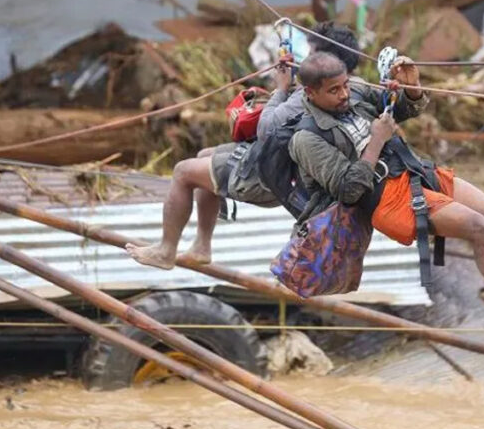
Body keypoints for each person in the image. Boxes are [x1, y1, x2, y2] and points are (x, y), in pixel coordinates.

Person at [288, 51, 484, 345]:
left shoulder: (356, 92)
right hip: (386, 199)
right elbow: (349, 191)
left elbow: (402, 109)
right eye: (334, 90)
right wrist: (377, 139)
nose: (344, 94)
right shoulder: (306, 138)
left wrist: (411, 88)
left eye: (345, 85)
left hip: (415, 170)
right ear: (310, 93)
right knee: (480, 228)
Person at [124, 22, 364, 270]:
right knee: (205, 155)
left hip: (270, 175)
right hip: (284, 168)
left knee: (183, 172)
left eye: (314, 54)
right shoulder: (350, 89)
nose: (308, 59)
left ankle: (166, 250)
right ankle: (201, 246)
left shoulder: (312, 94)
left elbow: (267, 129)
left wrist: (281, 89)